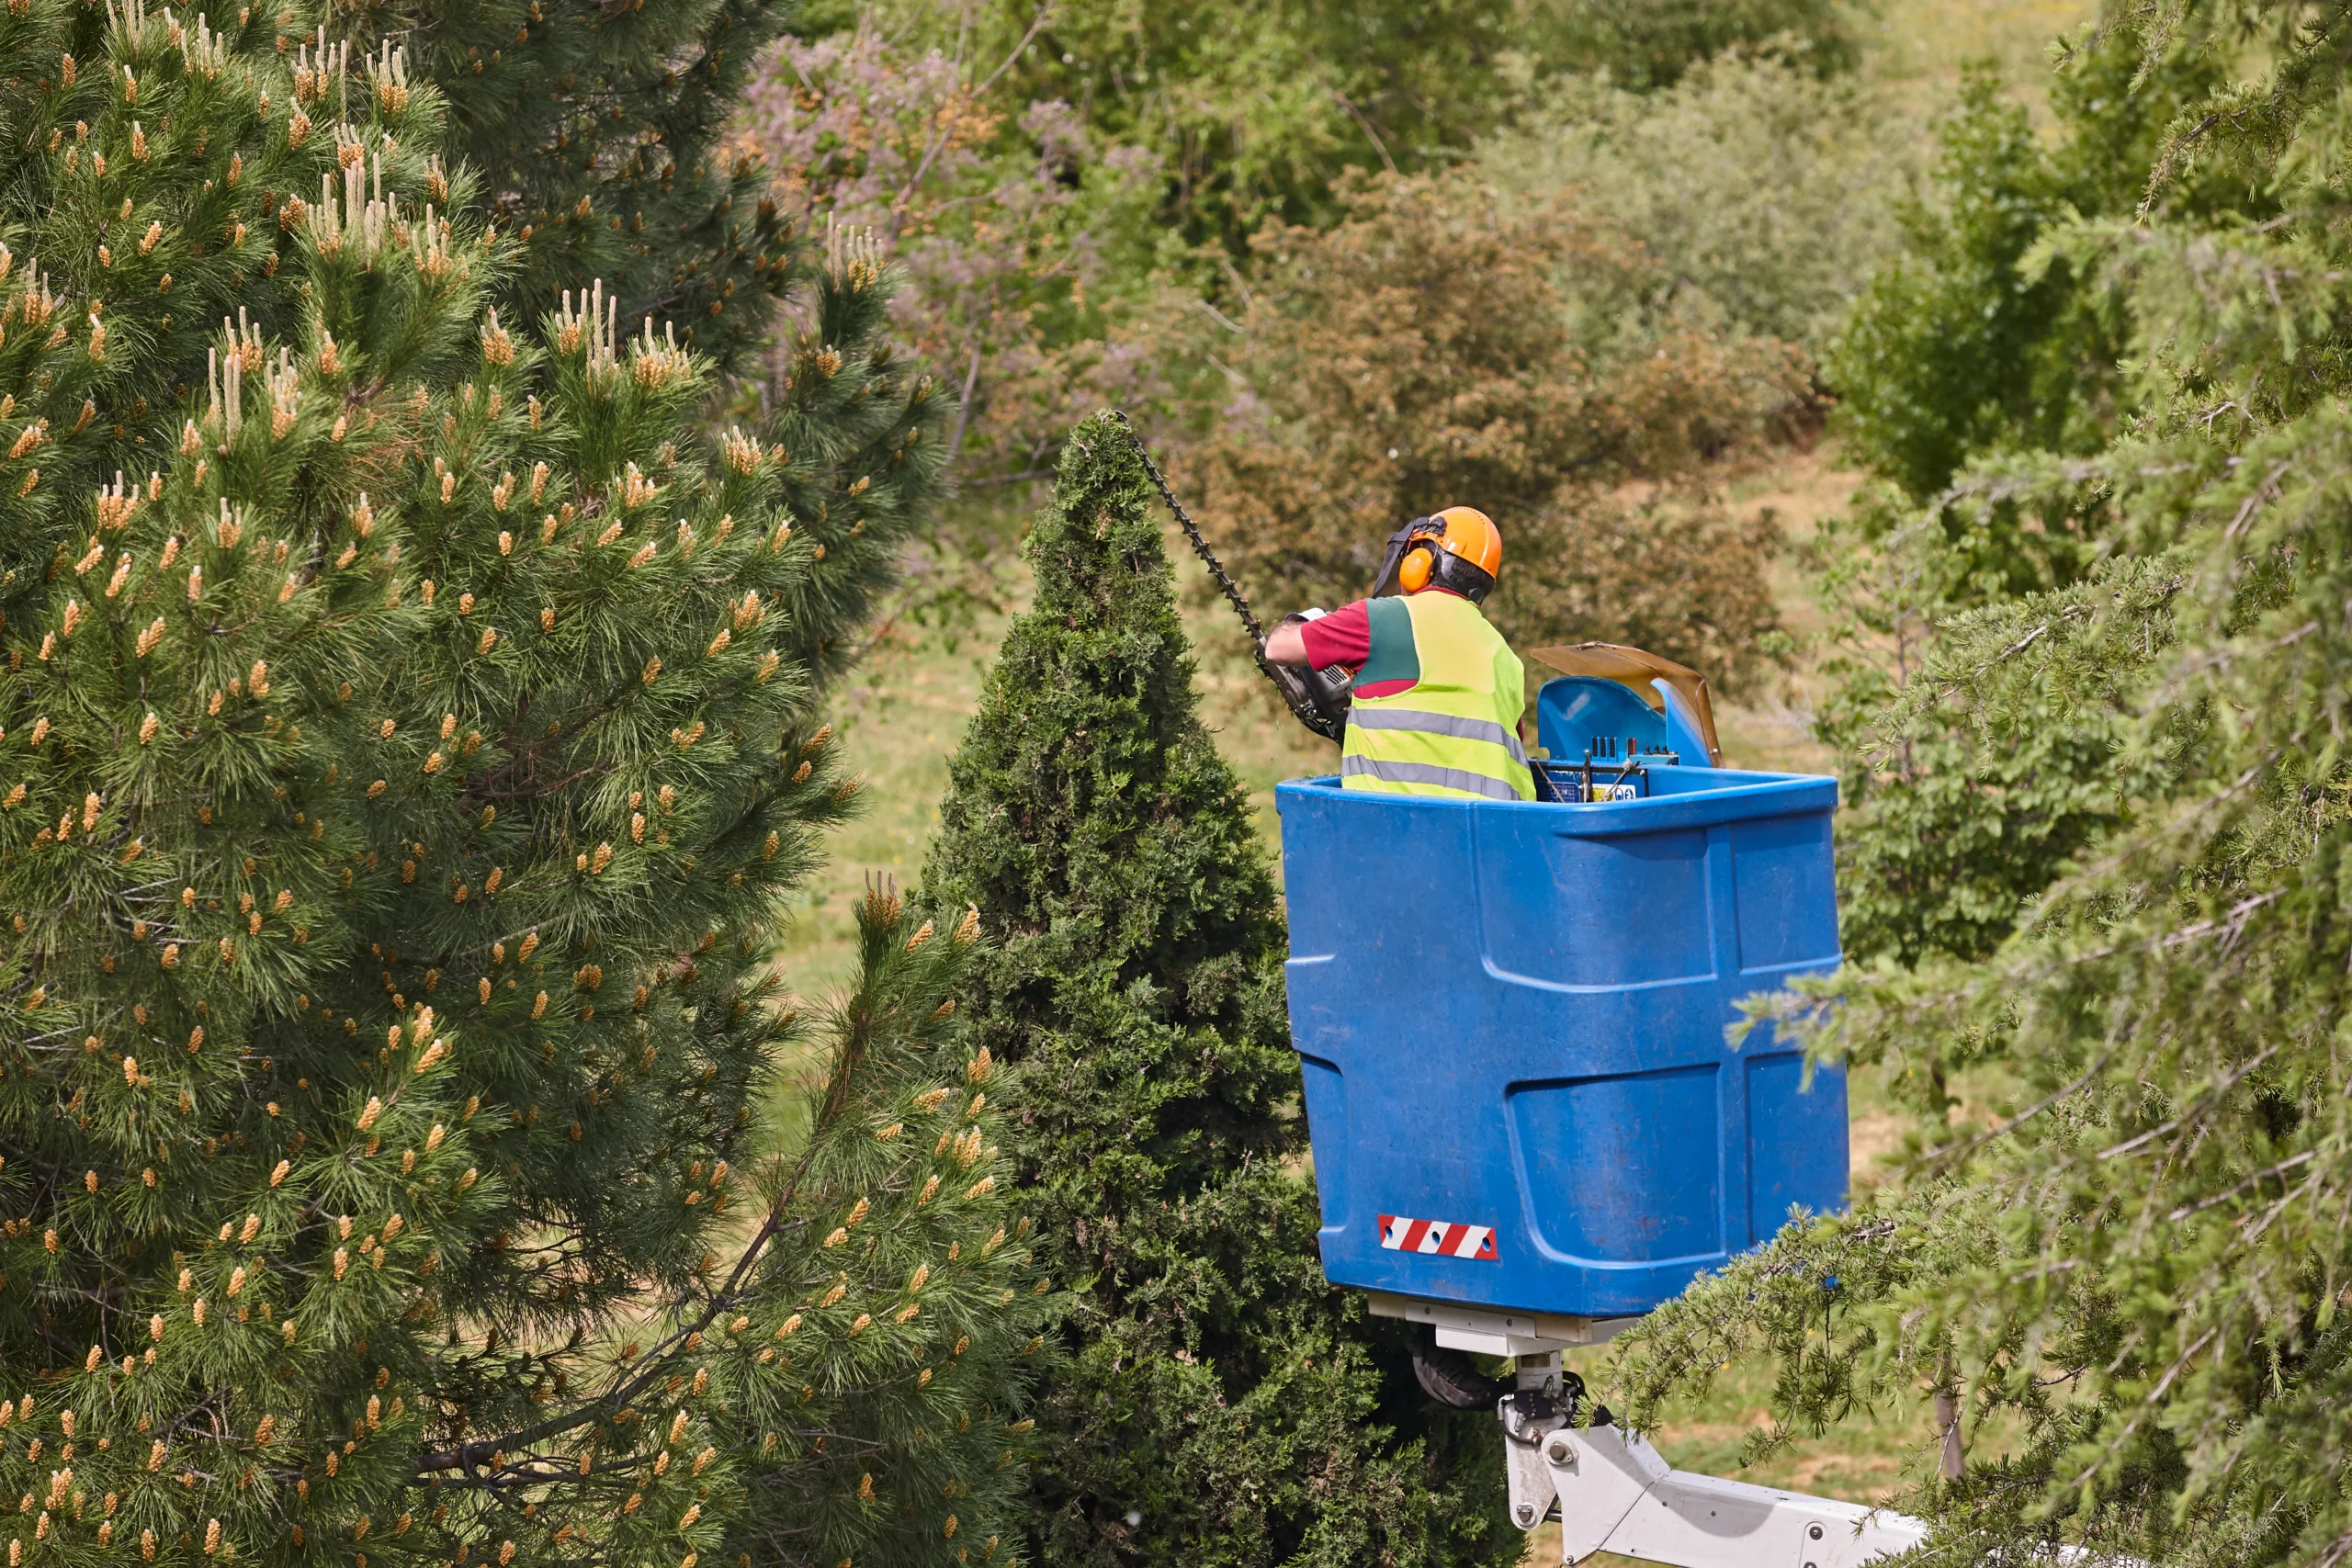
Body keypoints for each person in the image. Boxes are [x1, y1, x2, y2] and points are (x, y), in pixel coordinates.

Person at [1262, 507, 1534, 802]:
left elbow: (1278, 648)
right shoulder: (1506, 657)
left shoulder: (1385, 618)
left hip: (1403, 830)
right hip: (1503, 832)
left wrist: (1301, 622)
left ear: (1423, 561)